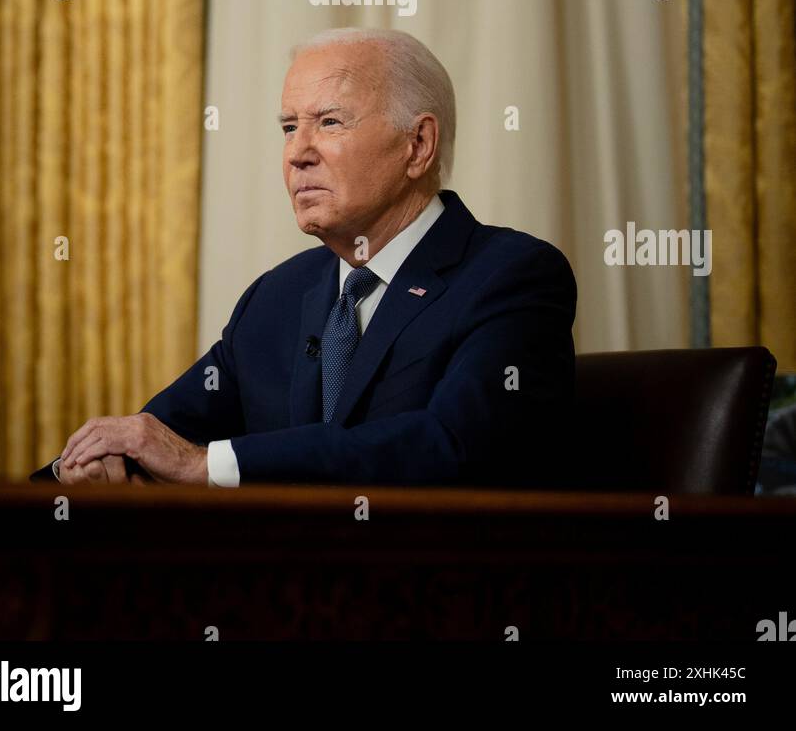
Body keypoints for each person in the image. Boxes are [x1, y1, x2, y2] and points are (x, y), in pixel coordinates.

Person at [31, 28, 576, 488]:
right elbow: (160, 434)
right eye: (289, 127)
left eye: (330, 122)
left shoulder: (512, 277)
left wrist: (205, 464)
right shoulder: (278, 296)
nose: (297, 152)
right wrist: (89, 467)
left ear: (418, 145)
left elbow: (451, 446)